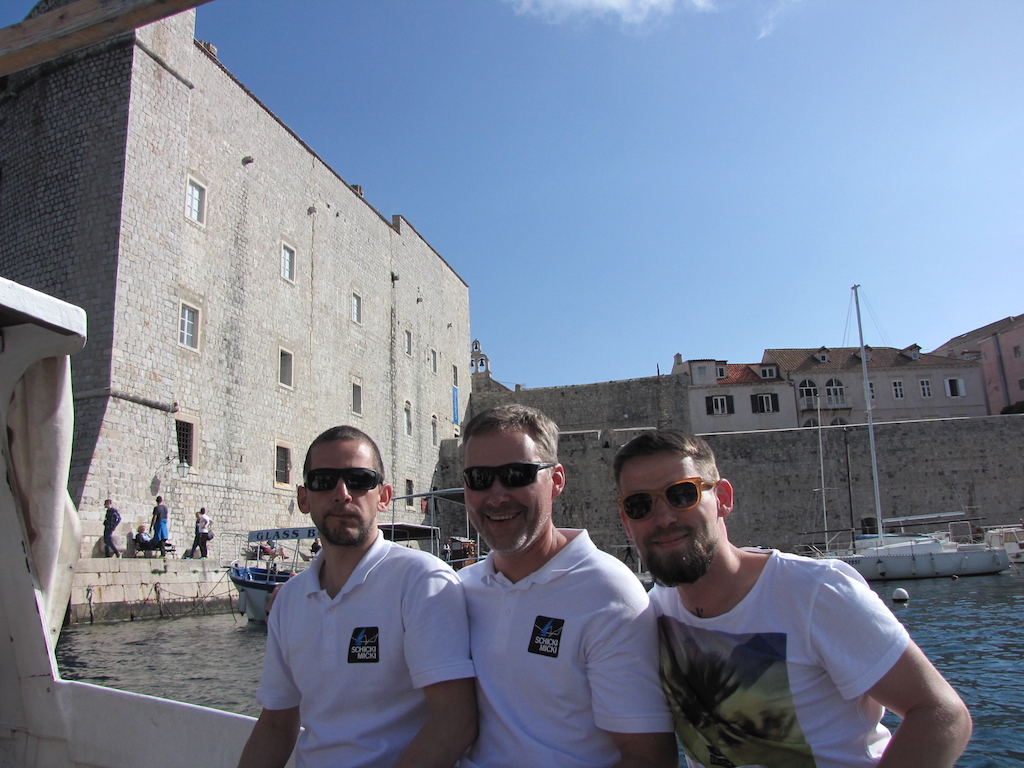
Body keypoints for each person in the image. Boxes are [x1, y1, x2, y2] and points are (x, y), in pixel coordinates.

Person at [613, 429, 973, 768]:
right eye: (640, 505)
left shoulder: (815, 592)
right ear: (627, 523)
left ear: (722, 499)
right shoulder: (652, 614)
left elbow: (942, 713)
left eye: (681, 494)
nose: (663, 518)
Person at [237, 425, 477, 768]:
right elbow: (276, 723)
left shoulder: (422, 582)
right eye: (323, 481)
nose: (342, 494)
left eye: (359, 480)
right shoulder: (289, 600)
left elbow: (455, 719)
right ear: (304, 498)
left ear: (383, 496)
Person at [457, 404, 676, 768]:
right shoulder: (459, 590)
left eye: (516, 475)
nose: (496, 496)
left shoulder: (608, 593)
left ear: (556, 480)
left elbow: (648, 756)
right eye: (479, 478)